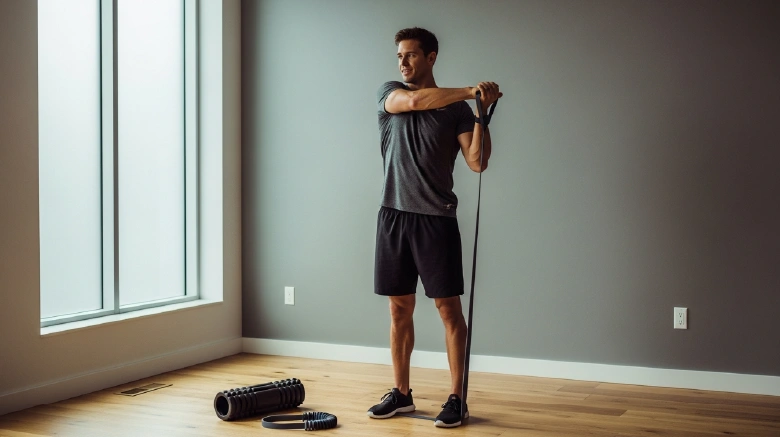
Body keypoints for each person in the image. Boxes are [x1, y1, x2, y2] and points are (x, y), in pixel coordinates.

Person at [367, 27, 501, 428]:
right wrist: (470, 91)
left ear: (431, 57)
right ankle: (401, 394)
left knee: (448, 309)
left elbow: (477, 162)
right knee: (398, 308)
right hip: (393, 215)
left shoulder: (457, 111)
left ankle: (457, 398)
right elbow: (412, 101)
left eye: (410, 55)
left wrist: (481, 114)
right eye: (399, 55)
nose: (403, 62)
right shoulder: (390, 93)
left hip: (436, 219)